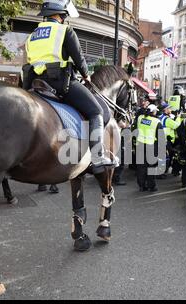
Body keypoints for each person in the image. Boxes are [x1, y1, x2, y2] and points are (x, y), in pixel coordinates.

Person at [24, 0, 114, 172]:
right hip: (59, 82)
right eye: (64, 16)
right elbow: (78, 58)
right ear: (60, 15)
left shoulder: (32, 35)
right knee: (96, 111)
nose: (65, 18)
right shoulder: (65, 30)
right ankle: (97, 157)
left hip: (36, 83)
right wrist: (86, 75)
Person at [135, 104, 165, 192]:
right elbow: (161, 137)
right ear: (154, 112)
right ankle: (151, 186)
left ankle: (141, 186)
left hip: (140, 145)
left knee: (141, 167)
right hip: (151, 146)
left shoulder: (140, 118)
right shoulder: (156, 121)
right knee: (151, 167)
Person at [159, 102, 181, 175]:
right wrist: (178, 117)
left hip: (161, 139)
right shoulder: (167, 119)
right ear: (166, 110)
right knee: (167, 157)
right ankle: (163, 172)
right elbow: (177, 125)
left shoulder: (160, 117)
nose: (170, 110)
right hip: (167, 140)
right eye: (169, 108)